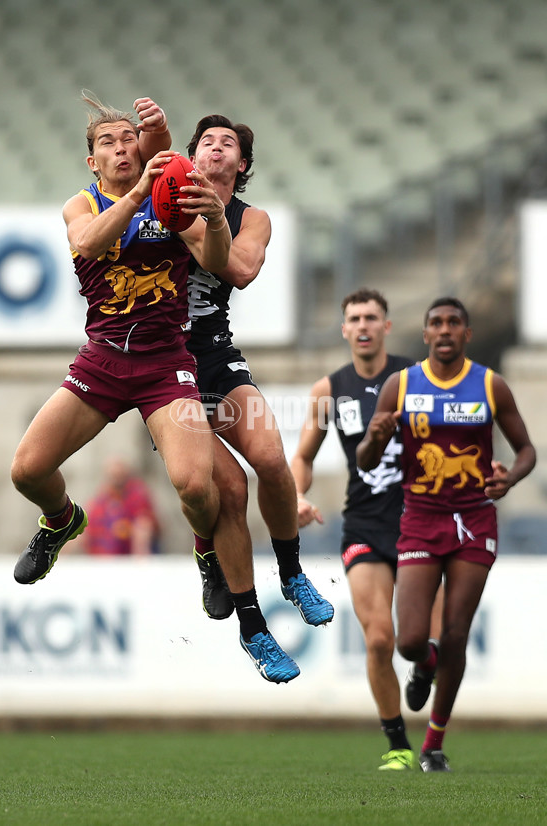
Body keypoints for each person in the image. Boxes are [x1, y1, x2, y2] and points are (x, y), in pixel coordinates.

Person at [10, 93, 230, 608]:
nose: (121, 148)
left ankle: (207, 554)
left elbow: (216, 260)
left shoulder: (171, 197)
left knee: (195, 487)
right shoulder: (82, 204)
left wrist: (216, 220)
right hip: (103, 357)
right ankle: (62, 521)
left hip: (165, 363)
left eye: (130, 139)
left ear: (141, 146)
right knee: (27, 470)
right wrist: (137, 196)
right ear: (94, 161)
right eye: (108, 142)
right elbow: (88, 243)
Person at [356, 296, 536, 772]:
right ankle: (425, 663)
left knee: (455, 633)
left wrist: (510, 478)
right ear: (425, 333)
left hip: (475, 520)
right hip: (420, 517)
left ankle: (433, 745)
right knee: (411, 640)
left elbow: (527, 450)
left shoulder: (490, 385)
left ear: (467, 334)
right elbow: (365, 461)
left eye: (454, 323)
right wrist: (376, 436)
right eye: (436, 323)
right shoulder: (402, 384)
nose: (445, 330)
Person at [181, 115, 334, 659]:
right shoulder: (164, 202)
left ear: (241, 164)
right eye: (206, 142)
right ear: (192, 157)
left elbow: (242, 269)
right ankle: (254, 630)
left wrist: (198, 224)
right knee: (228, 492)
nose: (216, 147)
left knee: (270, 458)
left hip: (217, 358)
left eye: (228, 144)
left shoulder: (253, 218)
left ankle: (291, 574)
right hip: (166, 370)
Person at [290, 288, 443, 772]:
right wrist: (295, 495)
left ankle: (426, 667)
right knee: (378, 639)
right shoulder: (328, 390)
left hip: (420, 521)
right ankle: (398, 745)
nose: (362, 325)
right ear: (344, 329)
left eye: (371, 317)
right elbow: (303, 457)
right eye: (354, 318)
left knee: (425, 640)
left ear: (386, 326)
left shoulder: (418, 378)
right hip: (363, 522)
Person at [81, 457, 164, 556]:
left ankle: (141, 563)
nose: (116, 477)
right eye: (113, 475)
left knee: (142, 525)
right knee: (78, 523)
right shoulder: (101, 497)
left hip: (129, 553)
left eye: (119, 474)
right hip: (102, 555)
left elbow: (145, 523)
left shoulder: (138, 495)